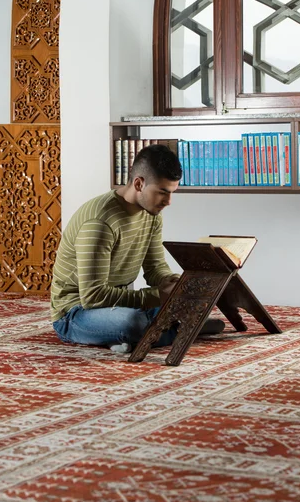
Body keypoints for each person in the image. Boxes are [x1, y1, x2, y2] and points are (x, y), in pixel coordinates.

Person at [51, 144, 224, 353]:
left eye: (172, 193)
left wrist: (176, 286)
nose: (168, 202)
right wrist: (158, 296)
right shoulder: (99, 222)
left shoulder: (151, 214)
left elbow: (155, 269)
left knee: (190, 304)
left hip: (118, 305)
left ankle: (136, 335)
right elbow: (93, 296)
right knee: (131, 322)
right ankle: (183, 327)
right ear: (139, 183)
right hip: (76, 312)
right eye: (163, 192)